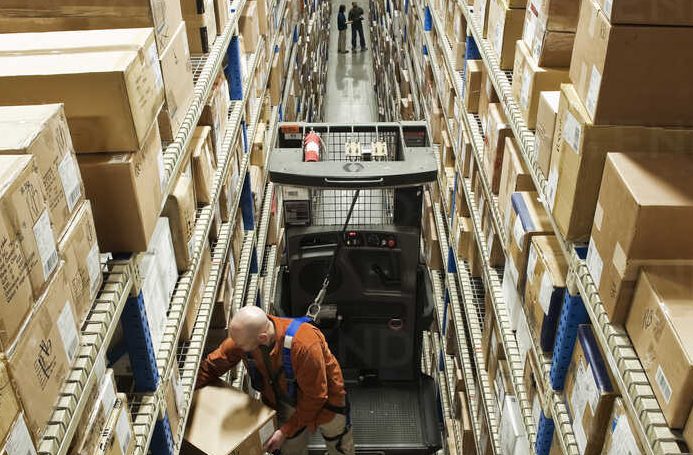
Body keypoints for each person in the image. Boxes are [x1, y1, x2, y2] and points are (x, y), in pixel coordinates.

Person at [196, 306, 355, 455]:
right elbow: (213, 365)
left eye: (240, 345)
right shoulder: (245, 337)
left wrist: (285, 430)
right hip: (285, 401)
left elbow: (316, 397)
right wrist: (186, 396)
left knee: (338, 442)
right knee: (291, 448)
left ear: (263, 337)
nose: (235, 346)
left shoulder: (304, 345)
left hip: (327, 402)